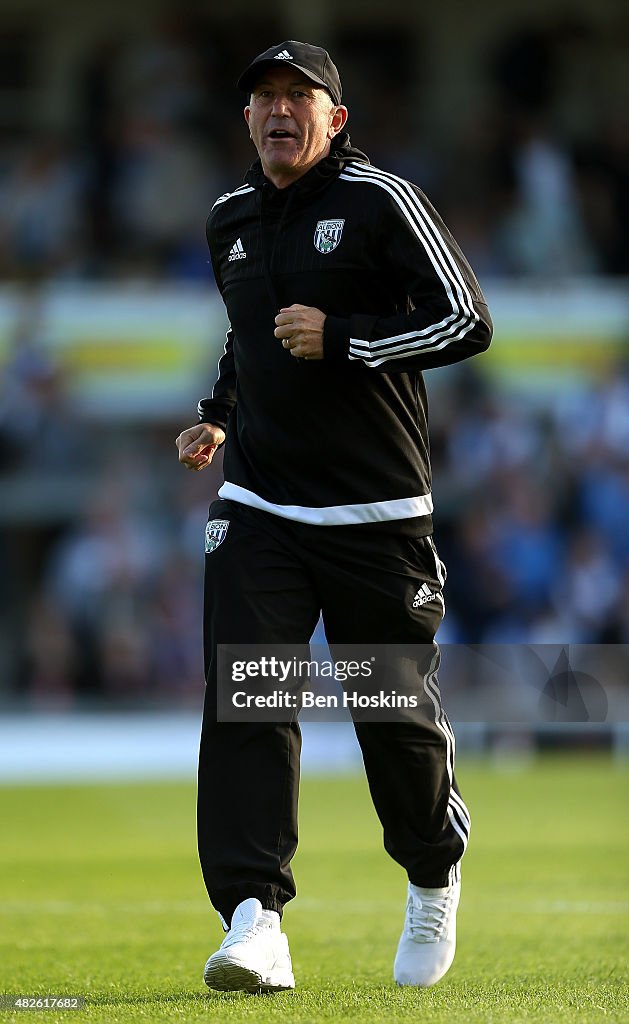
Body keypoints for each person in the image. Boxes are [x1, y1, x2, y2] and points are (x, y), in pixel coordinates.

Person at [175, 40, 492, 993]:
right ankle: (253, 918)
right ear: (246, 120)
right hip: (260, 506)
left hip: (379, 515)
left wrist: (344, 338)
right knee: (248, 700)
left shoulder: (383, 200)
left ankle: (433, 868)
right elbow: (248, 341)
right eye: (263, 98)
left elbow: (466, 321)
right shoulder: (227, 219)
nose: (279, 111)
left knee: (391, 719)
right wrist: (219, 416)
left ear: (334, 119)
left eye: (297, 98)